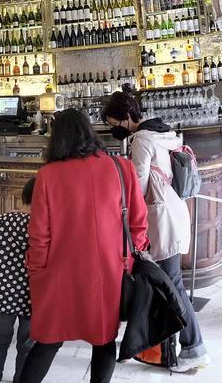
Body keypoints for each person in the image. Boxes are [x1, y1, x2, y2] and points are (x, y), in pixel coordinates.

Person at [19, 108, 147, 383]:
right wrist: (126, 260)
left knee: (48, 341)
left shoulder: (48, 176)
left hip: (59, 273)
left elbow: (39, 235)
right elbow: (139, 222)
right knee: (103, 340)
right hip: (109, 272)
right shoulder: (120, 167)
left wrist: (36, 272)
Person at [103, 90, 209, 373]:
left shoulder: (141, 140)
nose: (114, 128)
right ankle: (164, 348)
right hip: (174, 211)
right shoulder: (164, 132)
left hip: (162, 219)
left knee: (172, 286)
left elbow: (137, 185)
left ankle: (193, 347)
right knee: (168, 284)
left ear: (126, 118)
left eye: (114, 122)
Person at [0, 178, 35, 383]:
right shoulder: (42, 226)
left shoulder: (3, 221)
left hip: (3, 292)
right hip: (33, 295)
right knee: (27, 343)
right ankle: (21, 378)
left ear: (23, 196)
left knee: (0, 339)